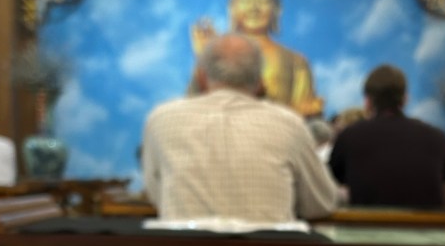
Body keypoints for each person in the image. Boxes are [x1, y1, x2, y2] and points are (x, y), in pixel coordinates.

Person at [142, 33, 339, 223]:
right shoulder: (289, 124)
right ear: (260, 83)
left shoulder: (161, 120)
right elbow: (320, 204)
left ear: (201, 78)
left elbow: (157, 195)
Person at [191, 0, 323, 117]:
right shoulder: (219, 55)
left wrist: (304, 110)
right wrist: (205, 59)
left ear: (277, 9)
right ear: (232, 7)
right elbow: (195, 111)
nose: (254, 7)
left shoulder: (296, 62)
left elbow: (306, 120)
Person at [328, 64, 445, 208]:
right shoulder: (437, 137)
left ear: (368, 101)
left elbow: (328, 187)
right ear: (405, 99)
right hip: (427, 223)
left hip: (365, 222)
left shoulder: (349, 136)